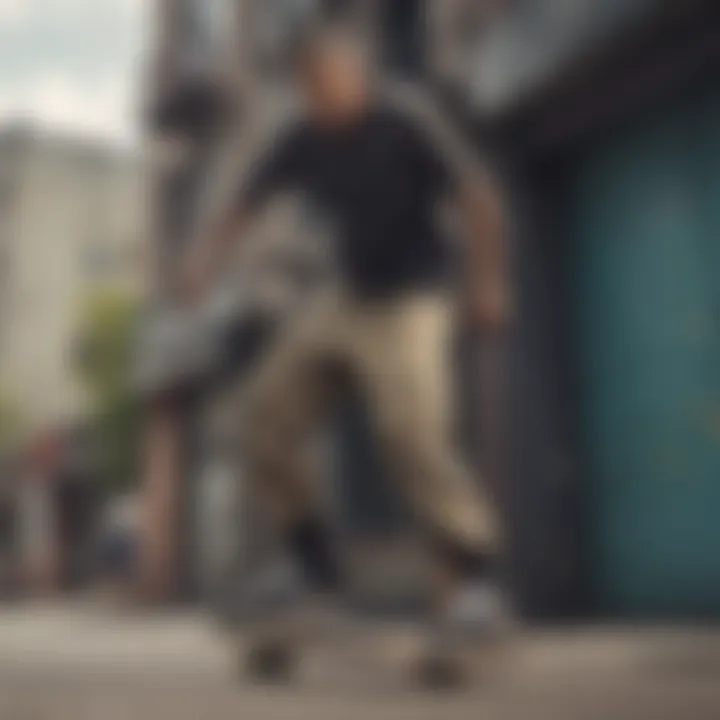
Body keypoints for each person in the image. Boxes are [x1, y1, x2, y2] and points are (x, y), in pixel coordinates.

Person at [181, 24, 512, 685]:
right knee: (265, 417)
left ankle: (475, 579)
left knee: (408, 428)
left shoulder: (406, 119)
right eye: (309, 92)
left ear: (357, 76)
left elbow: (479, 197)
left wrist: (488, 283)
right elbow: (245, 200)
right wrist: (204, 259)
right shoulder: (302, 134)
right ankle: (314, 569)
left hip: (415, 295)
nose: (321, 105)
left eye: (330, 87)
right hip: (346, 295)